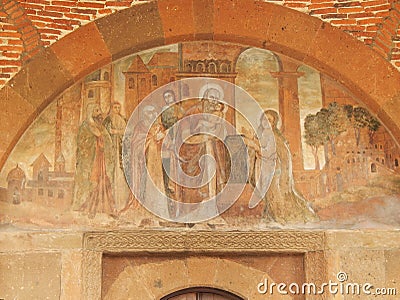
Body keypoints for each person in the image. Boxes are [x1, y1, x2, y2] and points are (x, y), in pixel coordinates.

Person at [257, 109, 317, 224]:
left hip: (276, 171)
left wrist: (254, 146)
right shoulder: (264, 135)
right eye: (264, 119)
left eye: (269, 120)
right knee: (270, 195)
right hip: (268, 170)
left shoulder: (274, 136)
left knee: (274, 194)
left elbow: (271, 153)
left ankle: (279, 217)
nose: (266, 122)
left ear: (273, 123)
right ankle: (271, 216)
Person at [72, 103, 117, 219]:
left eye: (100, 110)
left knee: (103, 182)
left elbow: (107, 140)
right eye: (97, 110)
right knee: (92, 183)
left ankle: (104, 208)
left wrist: (105, 145)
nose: (100, 113)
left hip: (101, 160)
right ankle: (89, 208)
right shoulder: (86, 126)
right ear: (91, 112)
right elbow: (82, 143)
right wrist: (94, 140)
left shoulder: (100, 126)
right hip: (91, 161)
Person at [103, 101, 129, 210]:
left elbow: (127, 133)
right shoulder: (108, 120)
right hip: (111, 150)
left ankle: (122, 202)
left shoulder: (124, 120)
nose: (117, 109)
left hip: (121, 148)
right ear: (111, 108)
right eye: (115, 107)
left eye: (119, 107)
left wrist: (118, 132)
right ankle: (112, 203)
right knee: (111, 174)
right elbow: (105, 133)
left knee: (121, 174)